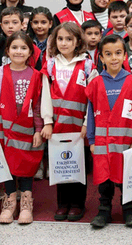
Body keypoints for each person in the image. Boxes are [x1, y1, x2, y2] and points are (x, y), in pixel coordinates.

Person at [0, 32, 44, 224]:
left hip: (27, 129)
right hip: (3, 128)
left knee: (26, 164)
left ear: (30, 51)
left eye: (24, 48)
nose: (19, 51)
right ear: (7, 50)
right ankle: (9, 201)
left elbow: (38, 105)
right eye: (14, 47)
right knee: (5, 165)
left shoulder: (36, 75)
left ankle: (26, 202)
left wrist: (38, 129)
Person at [86, 34, 132, 228]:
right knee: (104, 178)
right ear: (101, 58)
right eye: (108, 54)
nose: (114, 58)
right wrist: (92, 140)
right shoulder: (95, 84)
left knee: (125, 176)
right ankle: (104, 210)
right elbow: (91, 114)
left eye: (118, 53)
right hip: (102, 143)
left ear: (125, 56)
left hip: (125, 142)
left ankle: (128, 209)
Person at [41, 22, 95, 222]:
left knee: (77, 164)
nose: (64, 43)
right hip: (56, 125)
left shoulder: (87, 65)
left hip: (77, 126)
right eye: (60, 39)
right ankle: (62, 203)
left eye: (69, 39)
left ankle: (78, 203)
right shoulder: (50, 64)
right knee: (60, 164)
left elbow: (92, 98)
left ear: (78, 41)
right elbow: (45, 94)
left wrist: (86, 124)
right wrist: (47, 121)